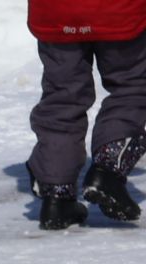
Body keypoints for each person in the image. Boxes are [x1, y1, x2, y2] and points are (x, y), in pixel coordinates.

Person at [27, 0, 146, 228]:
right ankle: (108, 168)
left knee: (62, 95)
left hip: (56, 12)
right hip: (117, 10)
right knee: (131, 85)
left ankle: (57, 195)